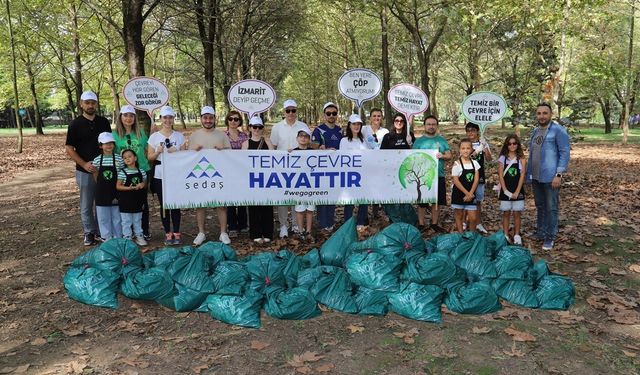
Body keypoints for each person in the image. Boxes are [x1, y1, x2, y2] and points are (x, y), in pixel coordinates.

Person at [65, 91, 113, 245]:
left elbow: (109, 144)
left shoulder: (103, 122)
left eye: (93, 102)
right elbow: (69, 148)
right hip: (84, 169)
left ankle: (101, 231)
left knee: (102, 200)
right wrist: (84, 164)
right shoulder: (75, 124)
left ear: (96, 104)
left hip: (103, 168)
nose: (90, 105)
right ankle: (89, 232)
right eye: (87, 102)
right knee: (86, 203)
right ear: (81, 104)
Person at [526, 103, 570, 251]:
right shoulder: (536, 131)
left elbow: (564, 153)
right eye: (539, 113)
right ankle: (541, 232)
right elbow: (532, 154)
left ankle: (550, 237)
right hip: (536, 176)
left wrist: (558, 174)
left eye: (545, 113)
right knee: (540, 205)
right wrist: (529, 175)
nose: (542, 116)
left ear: (551, 114)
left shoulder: (558, 131)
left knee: (551, 208)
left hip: (551, 177)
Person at [189, 106, 232, 246]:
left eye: (210, 118)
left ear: (215, 119)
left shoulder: (222, 135)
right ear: (201, 119)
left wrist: (223, 149)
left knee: (221, 205)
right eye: (205, 118)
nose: (208, 120)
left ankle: (223, 232)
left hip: (218, 175)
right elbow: (187, 158)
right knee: (201, 205)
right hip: (200, 175)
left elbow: (231, 155)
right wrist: (193, 151)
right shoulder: (194, 135)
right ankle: (201, 232)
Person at [147, 106, 187, 246]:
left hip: (175, 174)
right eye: (165, 117)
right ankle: (167, 233)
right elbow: (150, 157)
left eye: (170, 117)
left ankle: (176, 232)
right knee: (164, 204)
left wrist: (176, 152)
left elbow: (185, 156)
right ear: (161, 119)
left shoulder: (179, 136)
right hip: (159, 174)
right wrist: (157, 152)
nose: (168, 120)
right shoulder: (154, 137)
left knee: (175, 203)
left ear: (173, 119)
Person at [112, 104, 151, 240]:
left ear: (134, 118)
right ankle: (128, 232)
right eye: (125, 115)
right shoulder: (114, 135)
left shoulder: (141, 133)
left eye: (131, 116)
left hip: (141, 171)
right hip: (124, 174)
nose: (128, 118)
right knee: (127, 202)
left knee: (142, 202)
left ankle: (143, 230)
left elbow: (148, 151)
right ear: (120, 117)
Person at [270, 99, 307, 238]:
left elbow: (308, 143)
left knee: (297, 194)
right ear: (284, 112)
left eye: (293, 110)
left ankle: (297, 224)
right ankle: (284, 225)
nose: (291, 113)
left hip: (299, 167)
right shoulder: (276, 127)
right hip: (282, 167)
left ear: (296, 111)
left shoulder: (303, 126)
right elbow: (273, 146)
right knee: (283, 196)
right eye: (288, 110)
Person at [412, 115, 451, 233]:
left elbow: (449, 155)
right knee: (422, 202)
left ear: (437, 126)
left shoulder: (441, 140)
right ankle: (421, 223)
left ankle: (434, 223)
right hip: (422, 176)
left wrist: (442, 156)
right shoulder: (419, 142)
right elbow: (413, 158)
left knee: (436, 201)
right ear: (424, 126)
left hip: (438, 175)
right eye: (428, 124)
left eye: (433, 124)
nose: (431, 126)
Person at [242, 116, 274, 243]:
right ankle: (255, 232)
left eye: (259, 127)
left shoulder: (268, 142)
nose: (257, 129)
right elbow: (242, 162)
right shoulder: (245, 144)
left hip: (266, 178)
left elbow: (274, 159)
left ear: (262, 128)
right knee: (254, 206)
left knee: (267, 206)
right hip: (252, 178)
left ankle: (267, 232)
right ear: (250, 128)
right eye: (254, 127)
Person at [311, 102, 343, 232]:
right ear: (324, 115)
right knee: (322, 194)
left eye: (334, 113)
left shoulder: (340, 130)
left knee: (332, 195)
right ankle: (322, 222)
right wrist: (320, 148)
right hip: (321, 168)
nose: (331, 115)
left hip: (335, 168)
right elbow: (312, 147)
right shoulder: (318, 130)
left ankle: (330, 221)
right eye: (329, 113)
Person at [339, 114, 371, 230]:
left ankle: (361, 222)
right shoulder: (344, 141)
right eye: (354, 124)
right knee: (349, 200)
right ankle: (348, 224)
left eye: (358, 124)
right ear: (349, 125)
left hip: (364, 175)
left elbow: (371, 155)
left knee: (363, 199)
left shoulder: (365, 141)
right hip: (350, 175)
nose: (356, 126)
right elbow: (342, 158)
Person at [92, 132, 124, 240]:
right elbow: (95, 174)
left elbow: (121, 174)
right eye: (106, 143)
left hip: (116, 191)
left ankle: (118, 237)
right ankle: (106, 238)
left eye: (111, 143)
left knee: (117, 216)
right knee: (103, 217)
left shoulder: (119, 159)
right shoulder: (97, 160)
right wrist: (101, 186)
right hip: (101, 192)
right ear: (101, 145)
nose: (109, 145)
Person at [497, 134, 526, 245]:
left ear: (518, 145)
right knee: (506, 212)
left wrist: (517, 191)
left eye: (514, 143)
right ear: (506, 145)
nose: (512, 146)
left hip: (517, 189)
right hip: (506, 190)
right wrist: (505, 190)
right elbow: (500, 175)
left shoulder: (521, 159)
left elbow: (522, 175)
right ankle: (505, 234)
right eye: (509, 144)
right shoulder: (502, 158)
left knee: (517, 213)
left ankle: (517, 234)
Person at [116, 149, 148, 246]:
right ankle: (127, 239)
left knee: (137, 220)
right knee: (126, 221)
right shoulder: (122, 172)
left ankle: (139, 236)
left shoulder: (141, 171)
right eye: (125, 158)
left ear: (135, 158)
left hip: (137, 200)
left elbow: (145, 183)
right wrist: (128, 188)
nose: (127, 159)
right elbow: (118, 186)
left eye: (129, 156)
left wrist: (143, 184)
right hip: (126, 201)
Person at [225, 110, 249, 238]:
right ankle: (232, 226)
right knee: (230, 199)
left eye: (236, 119)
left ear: (239, 121)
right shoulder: (222, 136)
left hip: (241, 171)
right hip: (227, 172)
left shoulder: (244, 136)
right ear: (227, 120)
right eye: (231, 119)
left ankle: (243, 224)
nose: (233, 121)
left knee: (242, 198)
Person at [465, 122, 492, 234]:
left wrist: (484, 147)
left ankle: (478, 223)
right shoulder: (465, 144)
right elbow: (464, 157)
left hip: (479, 176)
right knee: (466, 199)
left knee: (478, 201)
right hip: (466, 177)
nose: (471, 132)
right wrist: (476, 150)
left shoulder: (483, 143)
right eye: (468, 130)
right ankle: (465, 222)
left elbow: (489, 159)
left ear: (477, 131)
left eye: (473, 130)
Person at [451, 138, 480, 233]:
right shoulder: (456, 164)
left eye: (468, 148)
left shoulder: (475, 163)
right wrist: (466, 193)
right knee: (459, 215)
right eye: (463, 148)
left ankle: (472, 235)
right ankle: (461, 234)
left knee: (473, 218)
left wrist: (470, 193)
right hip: (459, 194)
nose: (465, 150)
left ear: (472, 149)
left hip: (471, 194)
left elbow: (476, 179)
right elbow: (456, 181)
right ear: (459, 150)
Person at [293, 127, 315, 241]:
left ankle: (308, 231)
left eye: (306, 136)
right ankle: (301, 231)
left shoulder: (313, 152)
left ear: (309, 139)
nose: (303, 138)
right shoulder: (292, 152)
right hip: (298, 184)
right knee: (300, 209)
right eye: (301, 136)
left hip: (311, 184)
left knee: (310, 209)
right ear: (297, 138)